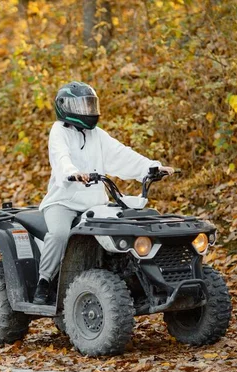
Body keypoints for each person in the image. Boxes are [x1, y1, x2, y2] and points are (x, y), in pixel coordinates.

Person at [32, 81, 175, 304]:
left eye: (90, 105)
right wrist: (73, 173)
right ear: (64, 107)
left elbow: (121, 155)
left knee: (125, 228)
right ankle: (44, 282)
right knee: (59, 233)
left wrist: (151, 167)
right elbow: (60, 157)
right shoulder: (59, 131)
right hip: (63, 202)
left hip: (95, 204)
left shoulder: (97, 135)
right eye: (81, 106)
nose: (87, 111)